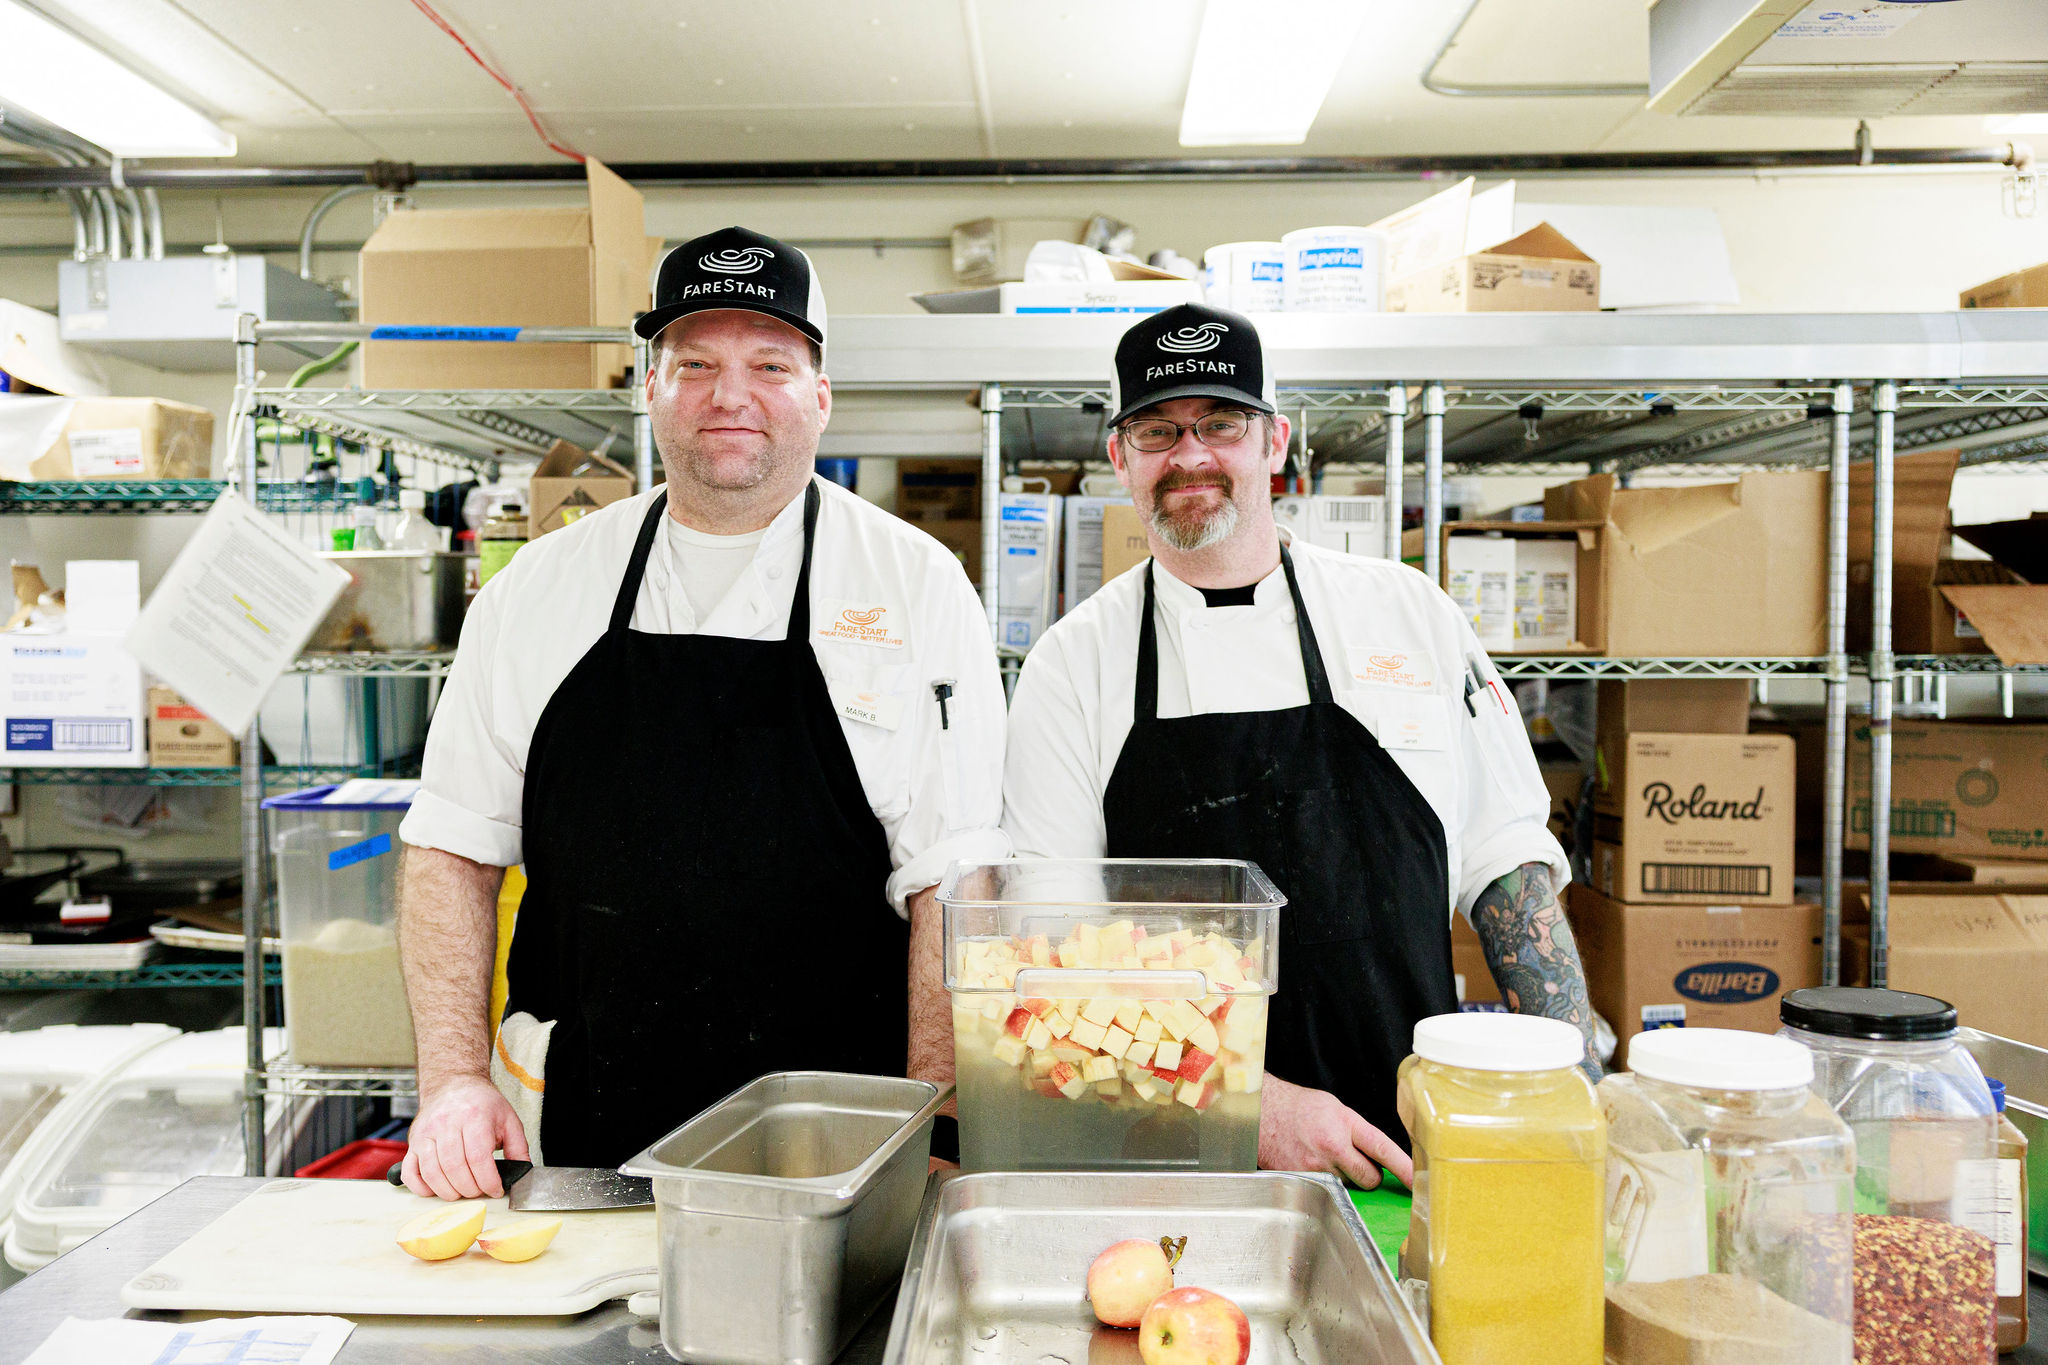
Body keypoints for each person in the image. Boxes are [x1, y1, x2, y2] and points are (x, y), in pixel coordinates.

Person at [395, 226, 1006, 1198]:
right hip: (580, 1114)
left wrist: (930, 1113)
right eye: (695, 365)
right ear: (648, 387)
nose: (731, 396)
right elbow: (448, 850)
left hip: (834, 1129)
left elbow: (955, 879)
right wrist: (455, 1081)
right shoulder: (540, 588)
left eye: (770, 363)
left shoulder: (914, 584)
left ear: (820, 394)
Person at [1001, 302, 1593, 1190]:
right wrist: (1253, 1101)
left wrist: (1573, 1082)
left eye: (1221, 424)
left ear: (1275, 442)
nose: (1191, 454)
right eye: (1158, 430)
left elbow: (1506, 862)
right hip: (1171, 1154)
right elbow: (1058, 961)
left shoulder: (1407, 614)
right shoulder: (1070, 665)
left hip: (1408, 1151)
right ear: (1120, 458)